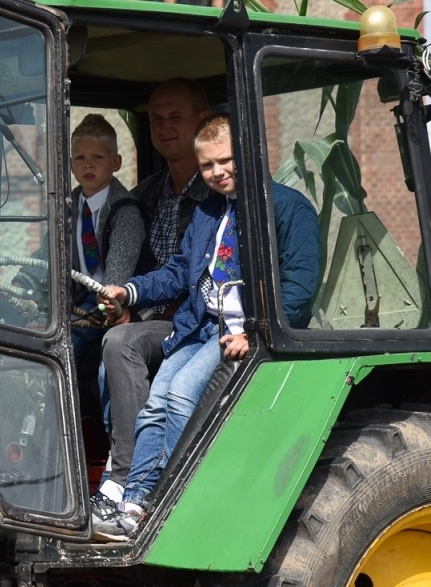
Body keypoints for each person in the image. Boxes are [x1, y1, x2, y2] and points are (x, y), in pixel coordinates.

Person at [91, 112, 318, 540]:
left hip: (241, 330)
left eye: (225, 161)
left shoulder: (288, 208)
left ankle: (162, 496)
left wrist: (257, 333)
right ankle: (133, 498)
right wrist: (131, 291)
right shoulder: (209, 212)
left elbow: (300, 286)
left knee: (178, 395)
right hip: (201, 327)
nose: (217, 172)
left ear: (249, 154)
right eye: (208, 165)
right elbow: (180, 270)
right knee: (156, 400)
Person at [93, 79, 212, 504]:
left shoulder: (217, 197)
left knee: (119, 346)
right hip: (148, 319)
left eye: (175, 117)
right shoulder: (145, 195)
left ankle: (131, 477)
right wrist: (122, 298)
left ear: (203, 122)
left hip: (194, 324)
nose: (164, 127)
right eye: (156, 119)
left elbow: (189, 276)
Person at [65, 114, 145, 409]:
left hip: (112, 303)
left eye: (97, 157)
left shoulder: (124, 212)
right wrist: (25, 281)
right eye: (80, 157)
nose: (88, 164)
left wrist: (109, 301)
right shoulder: (69, 206)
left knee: (59, 349)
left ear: (116, 163)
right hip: (77, 298)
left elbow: (116, 281)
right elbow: (49, 251)